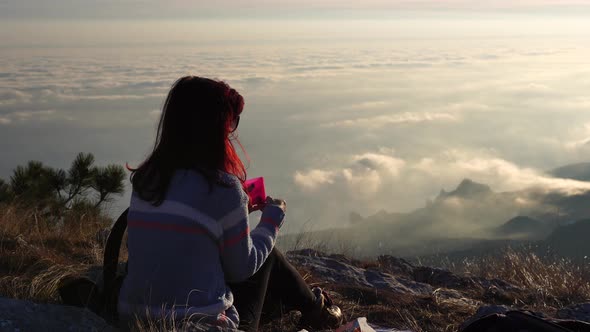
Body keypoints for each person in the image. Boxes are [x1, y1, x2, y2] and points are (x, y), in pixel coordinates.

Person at [119, 76, 343, 331]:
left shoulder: (146, 180)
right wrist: (271, 220)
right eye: (231, 121)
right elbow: (241, 269)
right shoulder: (223, 189)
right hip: (201, 326)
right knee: (267, 256)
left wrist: (233, 218)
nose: (232, 129)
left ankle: (316, 309)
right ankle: (319, 312)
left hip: (133, 319)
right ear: (215, 126)